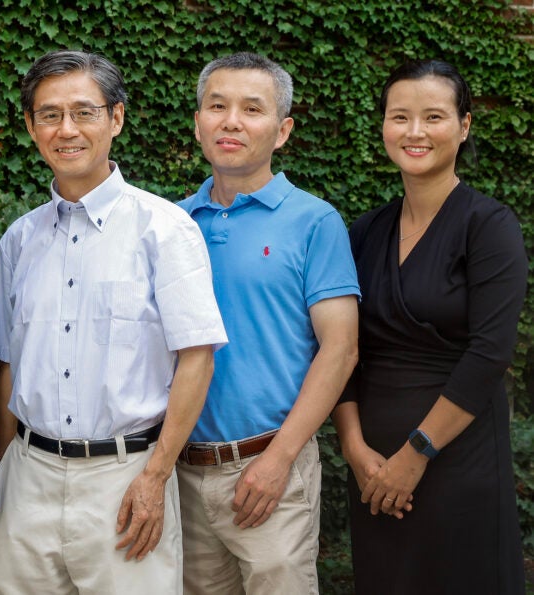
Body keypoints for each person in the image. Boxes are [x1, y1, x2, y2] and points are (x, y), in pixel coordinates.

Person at [0, 50, 227, 594]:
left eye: (84, 112)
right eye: (49, 115)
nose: (66, 130)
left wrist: (156, 476)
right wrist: (8, 467)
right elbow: (7, 365)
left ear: (115, 119)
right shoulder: (19, 240)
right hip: (28, 480)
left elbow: (197, 358)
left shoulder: (164, 230)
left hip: (126, 480)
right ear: (30, 126)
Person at [334, 59, 527, 594]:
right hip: (372, 465)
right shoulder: (365, 231)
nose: (414, 132)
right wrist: (353, 448)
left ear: (464, 127)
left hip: (456, 461)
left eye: (433, 117)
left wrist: (415, 455)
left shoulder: (489, 227)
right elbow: (339, 347)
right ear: (384, 127)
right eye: (400, 117)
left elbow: (490, 354)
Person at [175, 52, 360, 594]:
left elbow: (340, 350)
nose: (231, 121)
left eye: (251, 109)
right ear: (198, 122)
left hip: (270, 470)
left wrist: (279, 461)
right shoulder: (172, 224)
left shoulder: (315, 222)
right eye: (217, 105)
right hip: (184, 473)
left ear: (282, 131)